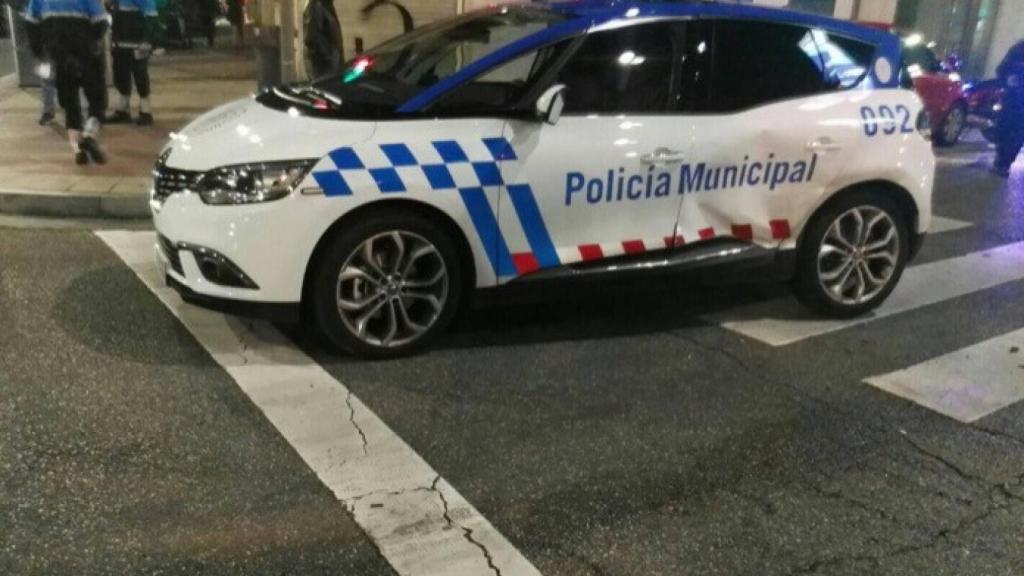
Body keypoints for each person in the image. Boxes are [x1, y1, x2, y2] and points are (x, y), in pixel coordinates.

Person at [23, 0, 109, 165]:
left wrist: (40, 53)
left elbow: (30, 24)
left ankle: (77, 150)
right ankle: (89, 136)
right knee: (96, 100)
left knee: (70, 105)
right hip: (86, 54)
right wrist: (92, 41)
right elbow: (101, 21)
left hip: (59, 55)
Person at [106, 0, 159, 126]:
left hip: (137, 43)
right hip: (120, 42)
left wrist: (147, 40)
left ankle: (146, 112)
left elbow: (151, 17)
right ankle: (122, 110)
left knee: (140, 74)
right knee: (120, 74)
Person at [993, 40, 1024, 177]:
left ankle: (1004, 163)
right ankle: (1001, 159)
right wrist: (1009, 78)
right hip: (1012, 97)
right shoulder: (1018, 49)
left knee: (1017, 133)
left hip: (1016, 100)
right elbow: (1001, 69)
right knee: (1004, 128)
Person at [304, 0, 342, 79]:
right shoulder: (317, 6)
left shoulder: (327, 6)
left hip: (330, 64)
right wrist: (329, 57)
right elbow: (312, 37)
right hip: (324, 66)